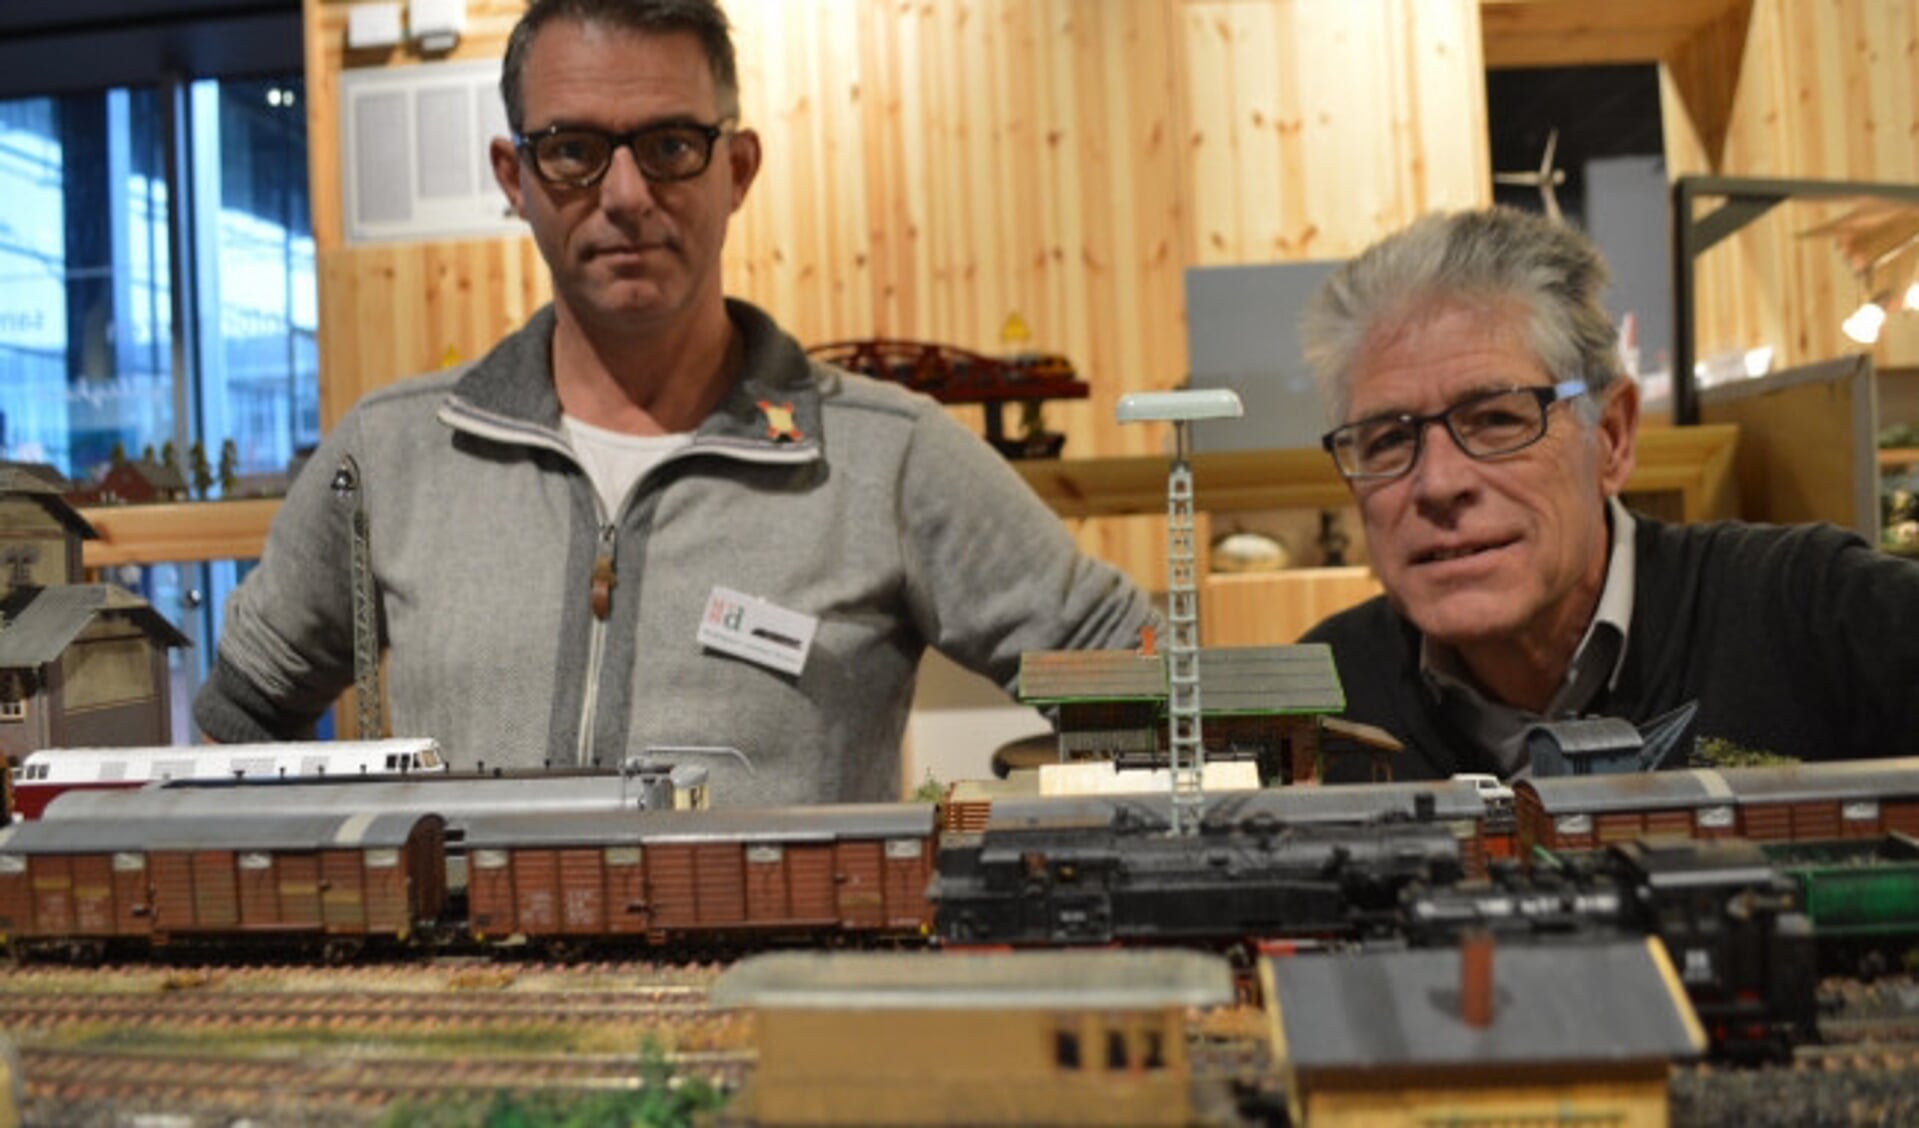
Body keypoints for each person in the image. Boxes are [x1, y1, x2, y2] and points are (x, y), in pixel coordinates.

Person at [193, 0, 1152, 805]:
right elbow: (239, 721)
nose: (624, 195)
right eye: (572, 149)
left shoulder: (884, 460)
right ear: (513, 177)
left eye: (668, 146)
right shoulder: (393, 456)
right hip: (472, 1021)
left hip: (776, 1024)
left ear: (736, 170)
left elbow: (1142, 682)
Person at [1298, 206, 1919, 781]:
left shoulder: (1810, 616)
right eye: (1385, 440)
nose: (1438, 483)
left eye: (1496, 419)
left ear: (1614, 438)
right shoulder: (1320, 697)